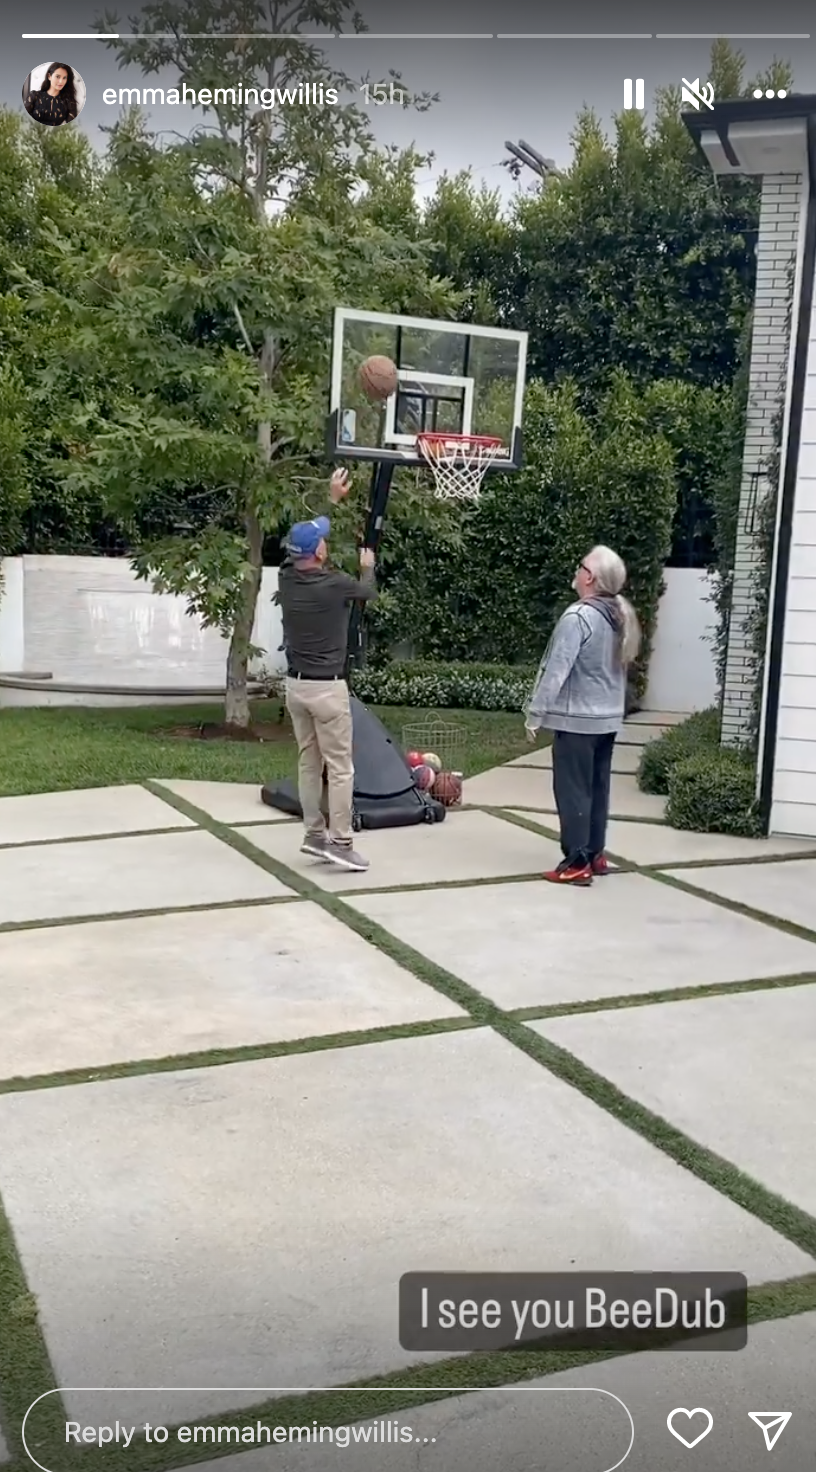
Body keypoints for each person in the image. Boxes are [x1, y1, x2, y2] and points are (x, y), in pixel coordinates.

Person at [278, 468, 377, 873]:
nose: (325, 541)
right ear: (318, 553)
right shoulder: (336, 584)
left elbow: (312, 534)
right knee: (340, 769)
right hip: (327, 691)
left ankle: (314, 835)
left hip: (295, 689)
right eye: (322, 540)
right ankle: (341, 842)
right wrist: (367, 565)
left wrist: (331, 502)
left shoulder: (286, 578)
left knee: (308, 763)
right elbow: (367, 592)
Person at [524, 545, 641, 886]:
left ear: (589, 577)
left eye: (580, 567)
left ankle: (576, 861)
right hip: (606, 720)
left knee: (573, 789)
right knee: (597, 787)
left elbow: (555, 671)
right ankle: (594, 853)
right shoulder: (619, 613)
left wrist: (535, 714)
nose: (576, 572)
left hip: (578, 721)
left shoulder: (579, 617)